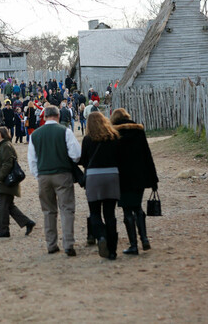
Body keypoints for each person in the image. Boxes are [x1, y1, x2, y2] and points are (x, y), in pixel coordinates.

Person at [28, 106, 81, 256]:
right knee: (66, 209)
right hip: (63, 173)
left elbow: (32, 160)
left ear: (44, 117)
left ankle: (51, 244)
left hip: (44, 175)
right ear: (58, 116)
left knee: (48, 211)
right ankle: (68, 243)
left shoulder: (35, 135)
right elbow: (76, 154)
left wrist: (39, 175)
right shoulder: (65, 131)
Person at [111, 108, 159, 255]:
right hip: (139, 176)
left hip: (121, 176)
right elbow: (147, 154)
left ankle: (133, 245)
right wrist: (153, 179)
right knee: (137, 207)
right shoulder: (139, 131)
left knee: (126, 210)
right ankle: (144, 238)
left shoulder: (114, 133)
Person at [79, 112, 121, 260]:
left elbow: (83, 160)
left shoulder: (87, 139)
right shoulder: (114, 137)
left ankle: (101, 236)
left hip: (93, 176)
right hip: (112, 175)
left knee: (95, 212)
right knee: (110, 214)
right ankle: (113, 250)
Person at [0, 126, 35, 238]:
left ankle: (3, 231)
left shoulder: (6, 146)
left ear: (3, 135)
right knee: (9, 206)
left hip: (7, 182)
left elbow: (8, 164)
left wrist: (0, 178)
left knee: (3, 207)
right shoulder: (4, 146)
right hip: (6, 182)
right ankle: (27, 222)